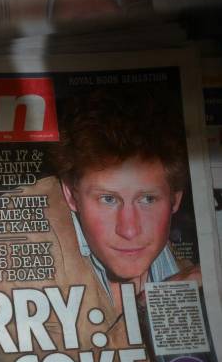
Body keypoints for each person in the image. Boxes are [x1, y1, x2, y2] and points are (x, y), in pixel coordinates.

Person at [50, 87, 198, 312]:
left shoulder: (195, 277)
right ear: (71, 195)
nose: (129, 230)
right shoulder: (36, 249)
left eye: (147, 199)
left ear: (175, 200)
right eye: (108, 199)